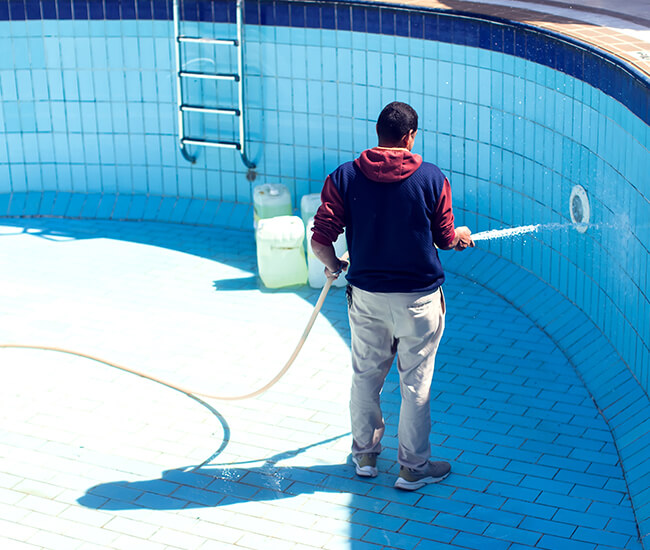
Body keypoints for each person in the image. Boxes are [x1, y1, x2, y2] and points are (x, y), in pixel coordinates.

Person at [310, 101, 474, 491]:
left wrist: (333, 263)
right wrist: (460, 238)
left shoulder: (346, 176)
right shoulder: (432, 178)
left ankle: (365, 456)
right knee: (415, 383)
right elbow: (446, 238)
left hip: (366, 297)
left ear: (378, 132)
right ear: (411, 136)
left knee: (366, 376)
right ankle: (412, 468)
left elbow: (319, 240)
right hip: (419, 301)